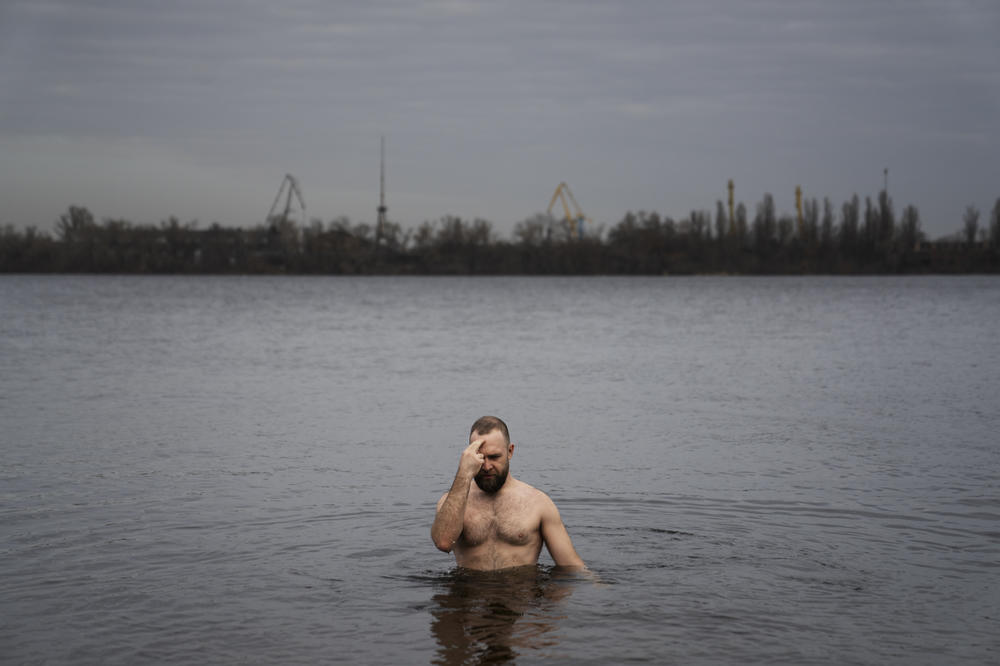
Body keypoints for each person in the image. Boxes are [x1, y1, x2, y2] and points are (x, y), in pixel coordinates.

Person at [431, 416, 585, 571]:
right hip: (470, 592)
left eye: (494, 457)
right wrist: (464, 473)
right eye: (480, 457)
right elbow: (443, 543)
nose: (487, 466)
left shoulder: (539, 503)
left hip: (520, 591)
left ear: (510, 451)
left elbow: (570, 565)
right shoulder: (452, 502)